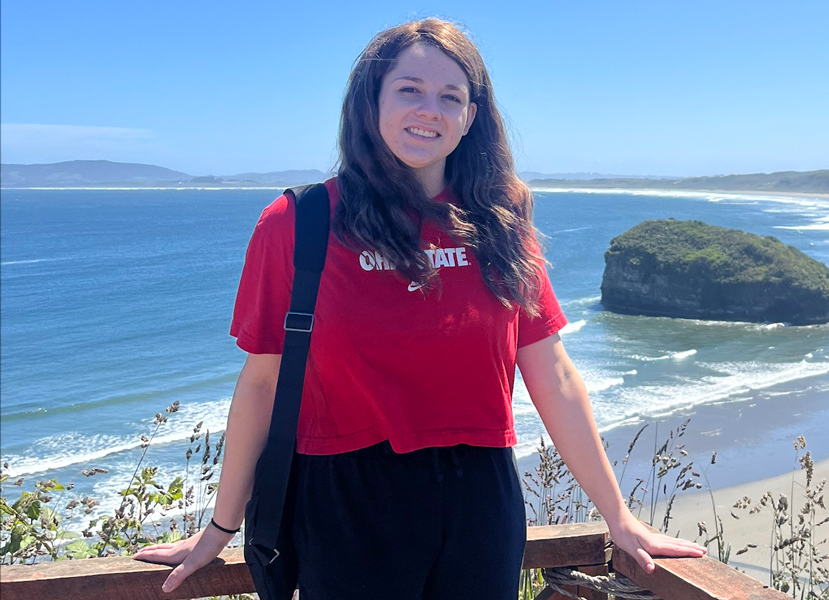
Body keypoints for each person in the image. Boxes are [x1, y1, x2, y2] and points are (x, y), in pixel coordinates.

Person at [133, 17, 707, 598]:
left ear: (470, 117)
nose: (428, 109)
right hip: (344, 498)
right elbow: (262, 382)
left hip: (481, 498)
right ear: (370, 101)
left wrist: (619, 517)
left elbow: (553, 373)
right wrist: (220, 526)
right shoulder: (299, 224)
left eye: (449, 96)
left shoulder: (500, 226)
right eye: (409, 89)